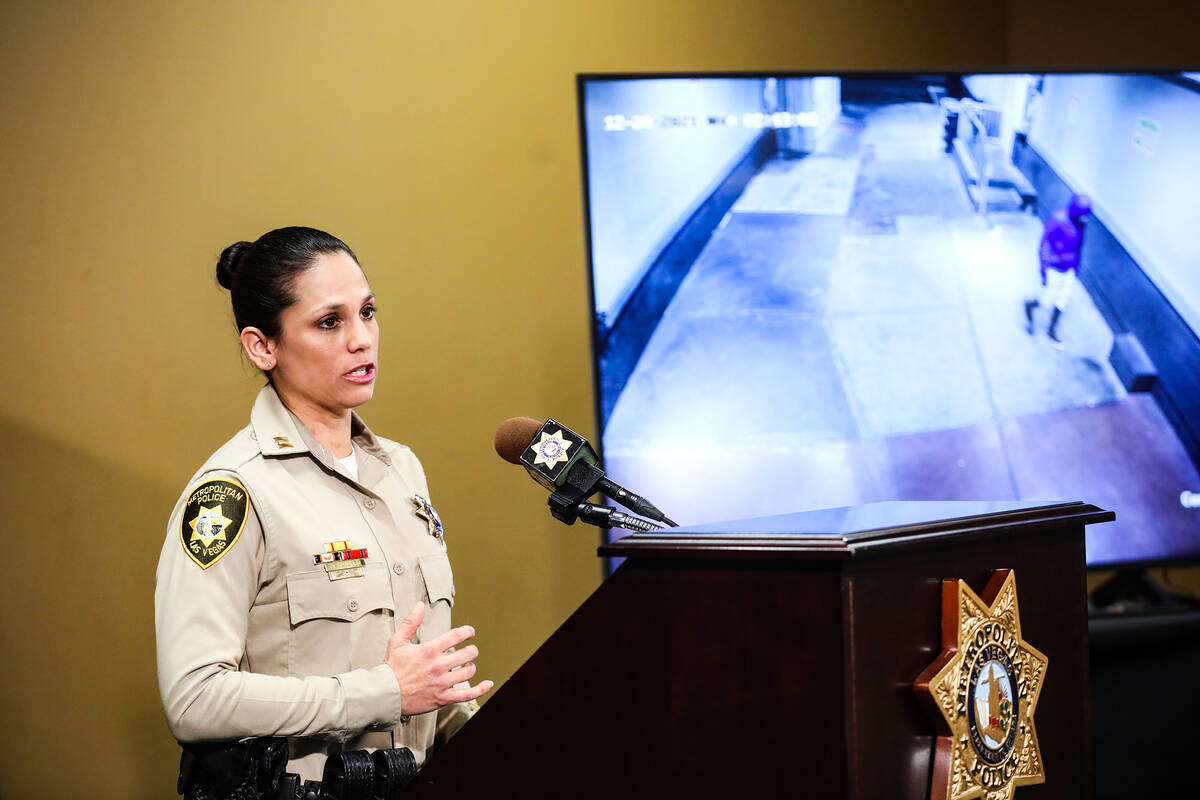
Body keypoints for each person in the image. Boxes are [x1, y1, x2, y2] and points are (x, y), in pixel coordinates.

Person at [155, 227, 492, 799]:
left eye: (367, 311)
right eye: (330, 322)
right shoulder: (233, 492)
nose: (362, 339)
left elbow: (419, 683)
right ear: (263, 346)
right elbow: (194, 699)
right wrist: (381, 693)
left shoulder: (401, 471)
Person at [1024, 194, 1091, 346]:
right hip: (1053, 267)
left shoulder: (1080, 224)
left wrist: (1076, 267)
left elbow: (1079, 245)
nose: (1085, 219)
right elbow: (1045, 244)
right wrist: (1044, 269)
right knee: (1046, 300)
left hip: (1069, 268)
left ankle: (1052, 329)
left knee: (1062, 300)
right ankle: (1029, 305)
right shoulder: (1058, 219)